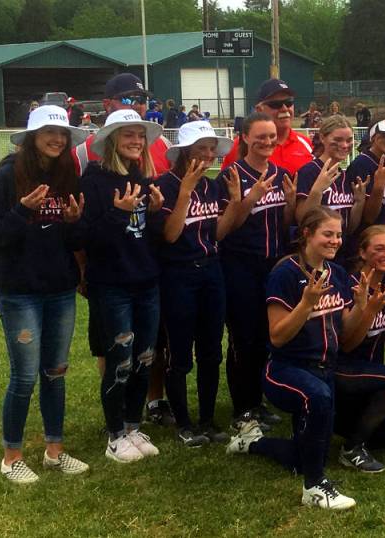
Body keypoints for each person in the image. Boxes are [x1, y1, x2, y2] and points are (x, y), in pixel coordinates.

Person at [0, 105, 90, 483]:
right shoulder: (7, 176)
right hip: (19, 292)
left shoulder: (65, 175)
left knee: (55, 372)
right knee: (24, 376)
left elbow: (70, 238)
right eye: (49, 132)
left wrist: (75, 223)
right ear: (32, 136)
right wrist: (22, 211)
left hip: (59, 289)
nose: (58, 139)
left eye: (62, 134)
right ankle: (12, 457)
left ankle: (55, 451)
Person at [229, 207, 365, 509]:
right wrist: (306, 304)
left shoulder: (337, 273)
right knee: (317, 398)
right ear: (306, 234)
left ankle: (252, 443)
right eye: (327, 234)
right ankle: (314, 488)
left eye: (339, 234)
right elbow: (277, 336)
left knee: (304, 456)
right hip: (285, 370)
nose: (335, 240)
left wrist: (364, 307)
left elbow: (345, 332)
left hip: (324, 368)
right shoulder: (285, 273)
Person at [79, 109, 167, 462]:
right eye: (128, 135)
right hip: (111, 285)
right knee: (120, 359)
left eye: (140, 135)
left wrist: (157, 212)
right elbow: (85, 238)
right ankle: (115, 434)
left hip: (146, 281)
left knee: (145, 357)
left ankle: (133, 425)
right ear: (112, 140)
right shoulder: (93, 180)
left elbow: (147, 237)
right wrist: (118, 212)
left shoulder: (143, 179)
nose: (136, 141)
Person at [152, 120, 241, 447]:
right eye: (200, 149)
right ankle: (184, 423)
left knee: (210, 351)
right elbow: (171, 234)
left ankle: (206, 418)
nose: (207, 155)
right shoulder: (165, 184)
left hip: (211, 271)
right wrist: (185, 193)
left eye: (211, 149)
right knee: (179, 353)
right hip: (178, 274)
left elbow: (218, 233)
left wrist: (233, 202)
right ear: (184, 152)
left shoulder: (212, 186)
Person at [216, 112, 298, 432]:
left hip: (272, 264)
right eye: (259, 136)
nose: (266, 142)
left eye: (271, 136)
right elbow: (225, 228)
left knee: (267, 337)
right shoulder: (231, 175)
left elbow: (285, 222)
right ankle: (243, 408)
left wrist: (290, 202)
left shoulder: (281, 173)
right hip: (240, 264)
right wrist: (249, 199)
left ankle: (258, 402)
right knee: (243, 337)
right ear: (245, 139)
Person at [329, 225, 385, 472]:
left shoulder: (384, 287)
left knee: (384, 439)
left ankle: (339, 424)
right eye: (379, 249)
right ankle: (352, 449)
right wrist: (368, 311)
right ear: (363, 253)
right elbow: (346, 342)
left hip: (368, 373)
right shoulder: (350, 286)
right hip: (341, 368)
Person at [296, 114, 367, 264]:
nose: (344, 145)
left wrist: (359, 203)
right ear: (322, 138)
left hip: (343, 253)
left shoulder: (346, 175)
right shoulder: (309, 172)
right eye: (338, 140)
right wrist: (317, 191)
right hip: (316, 256)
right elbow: (301, 220)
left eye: (349, 140)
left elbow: (350, 227)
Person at [75, 73, 172, 176]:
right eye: (128, 99)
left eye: (141, 100)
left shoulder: (164, 145)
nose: (137, 105)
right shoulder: (82, 152)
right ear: (107, 105)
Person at [222, 78, 314, 173]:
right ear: (259, 109)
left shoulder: (306, 144)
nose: (285, 108)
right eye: (275, 104)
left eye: (289, 102)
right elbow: (225, 185)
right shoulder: (241, 146)